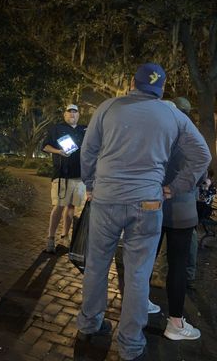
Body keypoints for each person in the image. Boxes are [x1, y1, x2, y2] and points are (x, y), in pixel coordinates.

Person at [76, 63, 211, 361]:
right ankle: (131, 345)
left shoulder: (108, 107)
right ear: (161, 89)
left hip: (107, 198)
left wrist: (90, 184)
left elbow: (87, 151)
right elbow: (202, 154)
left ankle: (88, 324)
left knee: (97, 265)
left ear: (132, 83)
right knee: (138, 274)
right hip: (148, 203)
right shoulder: (172, 114)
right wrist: (176, 187)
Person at [151, 97, 202, 340]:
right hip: (181, 210)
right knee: (178, 266)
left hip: (154, 205)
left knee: (144, 261)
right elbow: (201, 166)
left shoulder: (156, 135)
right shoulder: (189, 137)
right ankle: (175, 323)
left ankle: (140, 306)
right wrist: (178, 187)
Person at [42, 104, 87, 253]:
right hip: (62, 174)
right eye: (69, 112)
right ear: (65, 115)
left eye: (75, 112)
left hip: (79, 176)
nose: (72, 115)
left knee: (71, 207)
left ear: (78, 115)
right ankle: (50, 238)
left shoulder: (84, 130)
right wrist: (59, 152)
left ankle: (65, 236)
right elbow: (45, 147)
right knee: (59, 205)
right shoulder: (56, 129)